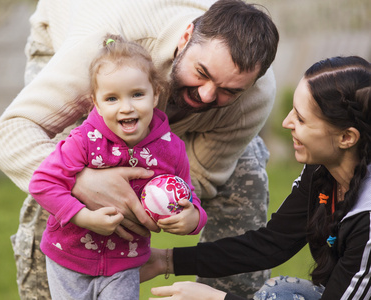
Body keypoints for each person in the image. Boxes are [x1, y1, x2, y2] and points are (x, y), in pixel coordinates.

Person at [0, 0, 279, 298]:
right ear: (186, 36)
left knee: (247, 175)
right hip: (79, 40)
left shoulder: (255, 97)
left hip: (167, 126)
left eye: (229, 90)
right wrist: (82, 183)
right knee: (68, 159)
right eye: (201, 72)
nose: (206, 95)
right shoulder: (103, 45)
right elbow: (9, 135)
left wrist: (157, 201)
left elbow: (199, 179)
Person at [140, 55, 371, 300]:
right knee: (281, 290)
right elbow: (271, 244)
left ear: (347, 138)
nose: (286, 122)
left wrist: (215, 298)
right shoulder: (322, 171)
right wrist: (164, 261)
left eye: (301, 119)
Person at [28, 34, 207, 300]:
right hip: (68, 259)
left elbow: (189, 197)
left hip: (125, 263)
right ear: (96, 103)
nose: (126, 107)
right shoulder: (84, 140)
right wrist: (83, 217)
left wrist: (193, 219)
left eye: (137, 94)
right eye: (112, 99)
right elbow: (42, 183)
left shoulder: (171, 149)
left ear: (155, 94)